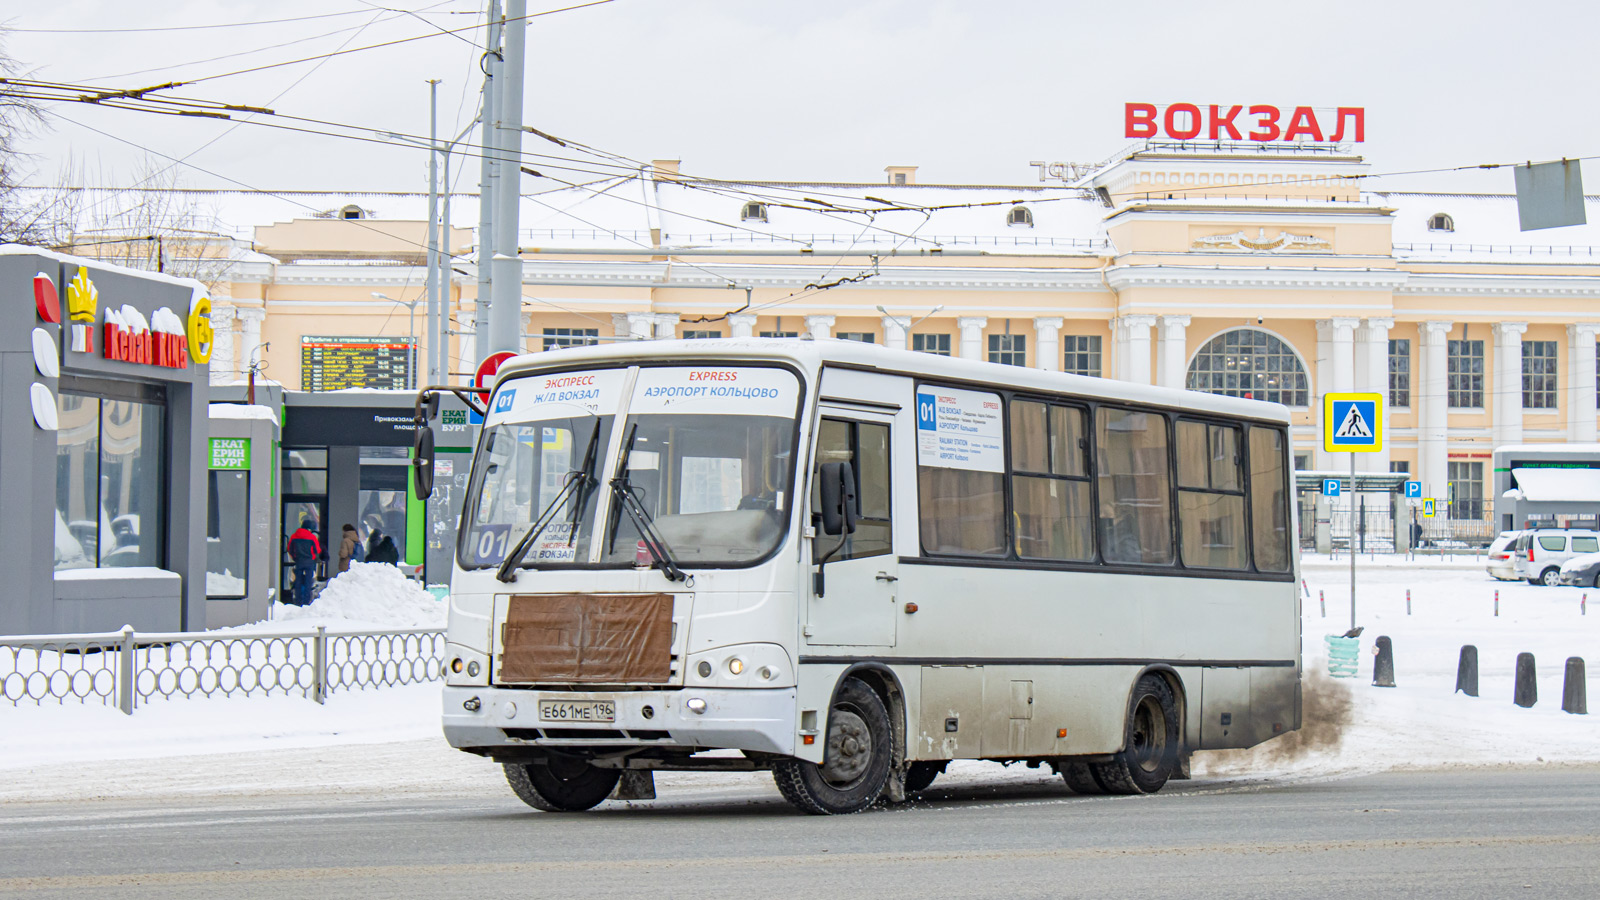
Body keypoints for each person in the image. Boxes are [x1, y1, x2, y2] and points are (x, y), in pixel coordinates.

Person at [286, 520, 322, 606]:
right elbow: (317, 550)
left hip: (299, 561)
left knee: (298, 580)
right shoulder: (312, 537)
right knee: (308, 581)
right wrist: (312, 557)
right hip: (309, 562)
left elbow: (289, 549)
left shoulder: (294, 536)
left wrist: (295, 557)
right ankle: (307, 601)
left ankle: (298, 600)